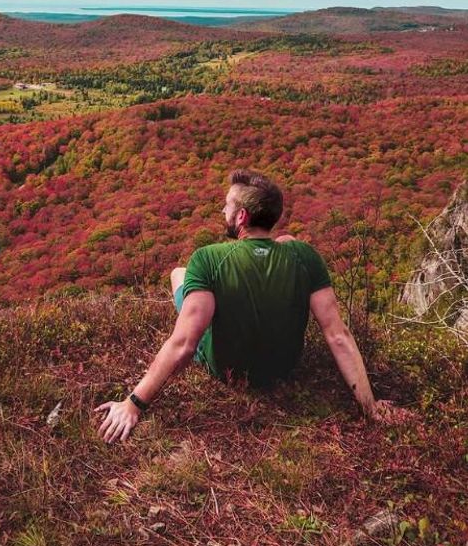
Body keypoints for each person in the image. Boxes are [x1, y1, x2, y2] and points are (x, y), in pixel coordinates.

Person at [94, 169, 404, 443]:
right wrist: (370, 407)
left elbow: (185, 345)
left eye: (227, 205)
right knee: (286, 242)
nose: (222, 209)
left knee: (179, 274)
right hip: (282, 367)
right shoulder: (305, 256)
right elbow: (338, 335)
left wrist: (133, 404)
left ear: (241, 216)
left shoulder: (208, 258)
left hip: (228, 370)